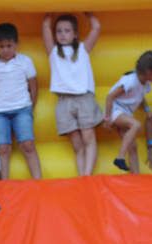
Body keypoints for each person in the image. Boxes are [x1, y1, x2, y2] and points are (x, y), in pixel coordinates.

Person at [42, 13, 103, 176]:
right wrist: (48, 14)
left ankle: (87, 175)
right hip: (64, 101)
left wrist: (89, 13)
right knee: (77, 143)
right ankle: (82, 175)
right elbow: (46, 27)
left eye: (67, 31)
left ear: (75, 34)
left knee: (88, 137)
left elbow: (96, 27)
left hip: (83, 98)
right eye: (59, 31)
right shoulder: (53, 52)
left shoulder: (83, 49)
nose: (62, 34)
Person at [0, 23, 42, 180]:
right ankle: (5, 182)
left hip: (22, 108)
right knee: (3, 148)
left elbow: (34, 85)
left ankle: (38, 181)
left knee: (28, 145)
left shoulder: (25, 61)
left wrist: (30, 105)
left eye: (9, 46)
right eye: (1, 46)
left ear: (16, 44)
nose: (5, 50)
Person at [103, 50, 152, 173]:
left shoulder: (145, 84)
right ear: (148, 71)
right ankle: (120, 157)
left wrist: (148, 111)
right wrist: (107, 119)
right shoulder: (130, 81)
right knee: (136, 125)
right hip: (115, 110)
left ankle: (136, 178)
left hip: (125, 113)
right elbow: (110, 97)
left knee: (133, 147)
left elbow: (140, 97)